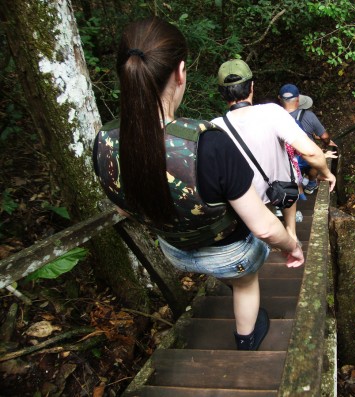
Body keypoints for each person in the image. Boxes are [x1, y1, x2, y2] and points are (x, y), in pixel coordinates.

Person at [92, 17, 304, 351]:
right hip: (231, 254)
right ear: (180, 72)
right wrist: (291, 247)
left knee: (227, 265)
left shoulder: (104, 141)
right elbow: (263, 229)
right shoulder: (208, 143)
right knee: (247, 281)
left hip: (174, 251)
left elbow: (123, 205)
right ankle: (247, 339)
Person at [211, 59, 336, 243]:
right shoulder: (272, 113)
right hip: (282, 191)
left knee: (259, 227)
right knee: (286, 181)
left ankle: (265, 244)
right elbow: (311, 153)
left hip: (246, 201)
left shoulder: (215, 127)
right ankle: (291, 233)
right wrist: (326, 173)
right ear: (252, 86)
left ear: (222, 93)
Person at [279, 84, 337, 195]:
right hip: (306, 154)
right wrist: (326, 143)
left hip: (286, 159)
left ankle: (293, 192)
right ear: (298, 100)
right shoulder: (309, 116)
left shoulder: (274, 118)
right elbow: (324, 136)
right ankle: (310, 185)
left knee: (293, 174)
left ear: (279, 99)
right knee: (312, 164)